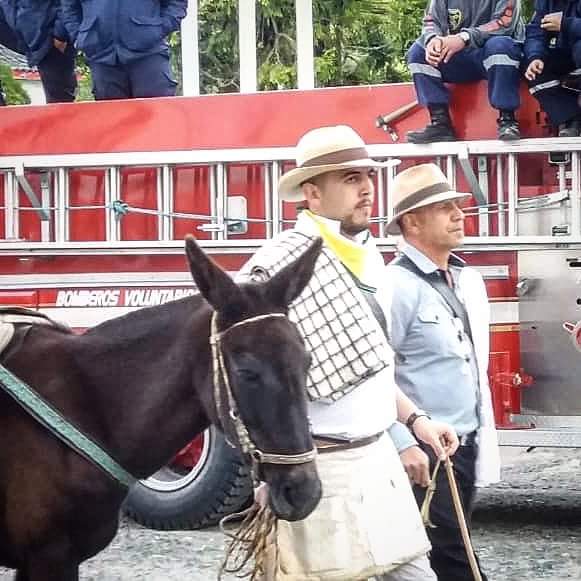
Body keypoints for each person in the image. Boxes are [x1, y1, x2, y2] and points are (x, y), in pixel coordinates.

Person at [237, 125, 459, 581]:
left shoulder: (370, 255)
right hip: (319, 470)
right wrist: (266, 474)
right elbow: (248, 382)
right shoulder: (275, 266)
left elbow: (374, 367)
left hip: (379, 463)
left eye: (367, 176)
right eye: (350, 178)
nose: (366, 188)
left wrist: (415, 420)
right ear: (312, 193)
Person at [385, 163, 501, 581]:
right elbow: (376, 373)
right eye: (443, 207)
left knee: (444, 555)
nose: (458, 213)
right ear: (411, 222)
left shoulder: (457, 277)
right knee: (455, 562)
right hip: (426, 452)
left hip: (460, 447)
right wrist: (402, 441)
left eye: (457, 204)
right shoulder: (396, 285)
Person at [406, 0, 525, 142]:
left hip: (490, 55)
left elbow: (504, 22)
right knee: (418, 51)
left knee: (500, 45)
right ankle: (440, 124)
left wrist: (463, 38)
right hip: (456, 56)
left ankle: (508, 121)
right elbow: (430, 20)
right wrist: (433, 40)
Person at [60, 0, 187, 100]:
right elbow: (69, 8)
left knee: (157, 121)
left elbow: (176, 4)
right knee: (114, 126)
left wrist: (157, 30)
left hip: (149, 55)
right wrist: (80, 36)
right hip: (101, 57)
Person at [0, 0, 76, 103]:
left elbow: (68, 4)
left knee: (60, 102)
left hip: (50, 38)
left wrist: (60, 34)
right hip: (24, 38)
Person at [524, 1, 581, 137]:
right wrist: (535, 57)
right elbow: (535, 33)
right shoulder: (545, 2)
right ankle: (569, 119)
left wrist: (566, 24)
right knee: (532, 68)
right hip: (566, 56)